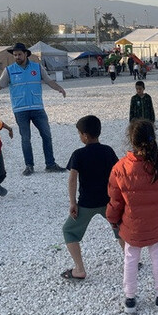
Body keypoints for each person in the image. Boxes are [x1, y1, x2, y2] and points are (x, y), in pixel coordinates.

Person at [106, 119, 158, 315]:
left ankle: (130, 299)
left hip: (132, 225)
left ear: (131, 140)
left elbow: (115, 200)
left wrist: (112, 218)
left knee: (130, 258)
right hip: (157, 222)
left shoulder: (120, 168)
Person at [0, 43, 67, 176]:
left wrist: (59, 88)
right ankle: (29, 166)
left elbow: (48, 81)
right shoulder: (9, 70)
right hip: (20, 110)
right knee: (26, 138)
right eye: (15, 55)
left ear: (26, 54)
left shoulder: (37, 67)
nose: (17, 57)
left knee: (46, 135)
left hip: (38, 108)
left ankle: (50, 164)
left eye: (19, 54)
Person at [60, 115, 122, 280]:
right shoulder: (108, 151)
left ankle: (79, 269)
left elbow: (72, 179)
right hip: (108, 201)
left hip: (86, 203)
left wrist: (73, 202)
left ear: (85, 135)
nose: (79, 136)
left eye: (79, 133)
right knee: (121, 229)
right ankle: (131, 260)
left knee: (69, 230)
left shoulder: (78, 154)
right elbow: (118, 175)